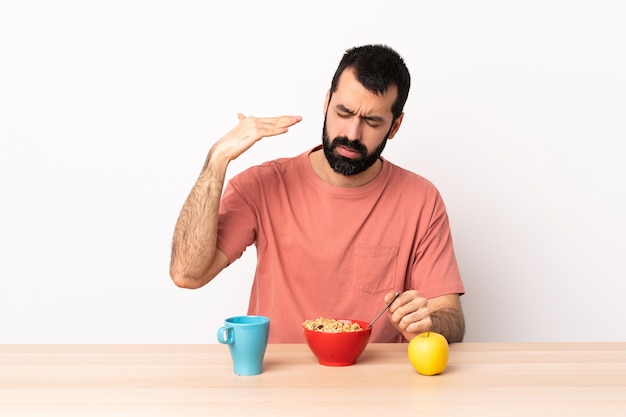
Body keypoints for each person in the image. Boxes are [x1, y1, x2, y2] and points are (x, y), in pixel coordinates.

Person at [170, 44, 465, 344]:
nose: (352, 133)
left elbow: (451, 317)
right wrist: (216, 161)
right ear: (326, 103)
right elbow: (187, 274)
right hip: (277, 384)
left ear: (395, 126)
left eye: (372, 121)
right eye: (344, 112)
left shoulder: (421, 200)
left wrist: (427, 322)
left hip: (378, 386)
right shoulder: (264, 185)